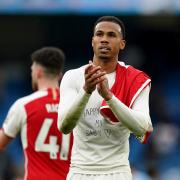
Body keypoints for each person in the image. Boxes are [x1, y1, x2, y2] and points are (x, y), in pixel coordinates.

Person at [57, 16, 153, 180]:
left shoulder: (135, 79)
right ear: (92, 41)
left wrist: (109, 97)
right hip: (80, 171)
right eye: (99, 34)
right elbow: (64, 126)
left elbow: (144, 129)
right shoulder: (72, 77)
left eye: (111, 35)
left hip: (117, 172)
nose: (104, 40)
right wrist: (86, 91)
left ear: (122, 44)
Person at [0, 47, 73, 180]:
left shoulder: (24, 105)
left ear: (38, 73)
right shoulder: (75, 106)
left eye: (32, 70)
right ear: (60, 75)